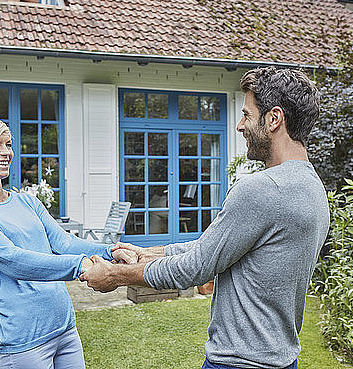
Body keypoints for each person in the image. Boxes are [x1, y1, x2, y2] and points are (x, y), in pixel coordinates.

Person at [80, 67, 330, 369]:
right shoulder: (313, 188)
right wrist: (147, 253)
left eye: (247, 115)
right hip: (281, 359)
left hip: (238, 363)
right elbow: (214, 248)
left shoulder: (261, 189)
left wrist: (114, 276)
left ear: (274, 119)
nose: (239, 125)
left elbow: (195, 268)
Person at [0, 115, 136, 369]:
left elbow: (65, 244)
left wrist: (111, 251)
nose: (5, 152)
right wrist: (82, 266)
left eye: (8, 144)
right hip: (25, 340)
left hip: (65, 328)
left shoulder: (26, 201)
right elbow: (12, 260)